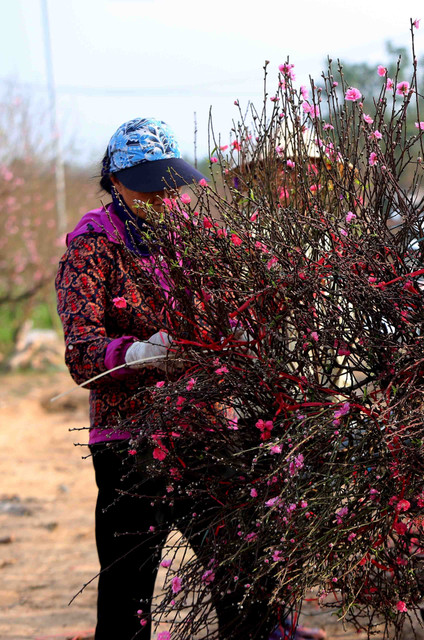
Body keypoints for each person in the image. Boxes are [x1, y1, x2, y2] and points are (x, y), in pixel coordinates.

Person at [56, 118, 283, 639]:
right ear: (115, 181)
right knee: (128, 593)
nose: (161, 197)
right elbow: (82, 353)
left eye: (169, 185)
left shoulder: (195, 239)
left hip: (205, 429)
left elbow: (240, 302)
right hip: (130, 441)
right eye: (146, 185)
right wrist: (141, 353)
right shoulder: (92, 246)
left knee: (242, 577)